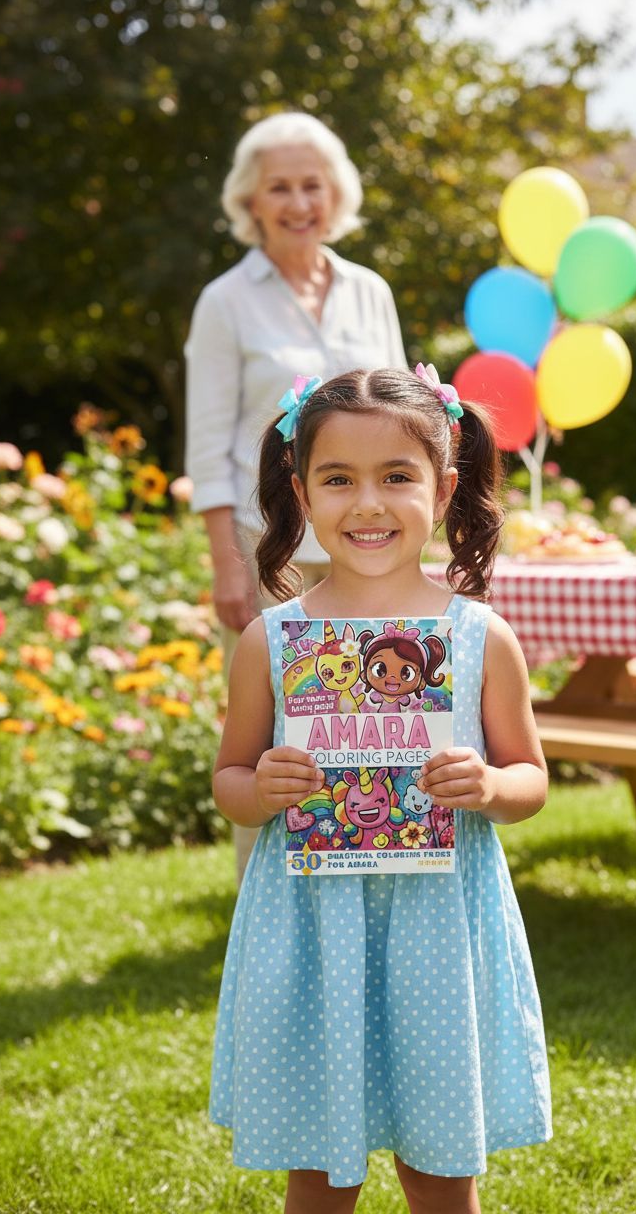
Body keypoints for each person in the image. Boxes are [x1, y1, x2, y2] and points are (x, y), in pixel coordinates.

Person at [209, 364, 552, 1214]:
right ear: (301, 494)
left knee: (440, 1169)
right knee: (322, 1171)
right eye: (339, 479)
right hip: (313, 928)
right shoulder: (274, 640)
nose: (368, 503)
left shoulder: (477, 636)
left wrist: (487, 783)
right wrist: (263, 789)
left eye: (397, 477)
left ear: (441, 492)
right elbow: (229, 778)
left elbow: (532, 778)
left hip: (440, 927)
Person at [185, 112, 406, 883]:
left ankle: (369, 888)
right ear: (252, 200)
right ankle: (268, 906)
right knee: (274, 743)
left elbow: (404, 421)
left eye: (312, 183)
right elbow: (208, 444)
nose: (298, 201)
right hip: (267, 547)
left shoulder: (368, 290)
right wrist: (228, 564)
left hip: (370, 542)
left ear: (335, 193)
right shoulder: (226, 301)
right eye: (280, 186)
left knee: (374, 726)